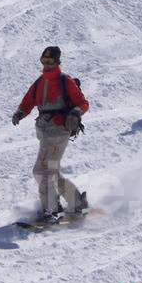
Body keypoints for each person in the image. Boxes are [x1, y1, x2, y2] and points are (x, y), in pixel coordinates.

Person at [11, 46, 89, 222]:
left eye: (50, 62)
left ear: (57, 62)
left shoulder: (64, 81)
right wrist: (20, 112)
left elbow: (83, 103)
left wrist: (75, 113)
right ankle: (76, 202)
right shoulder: (40, 81)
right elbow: (29, 100)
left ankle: (51, 210)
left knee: (42, 170)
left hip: (58, 132)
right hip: (45, 132)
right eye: (44, 61)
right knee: (51, 171)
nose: (46, 65)